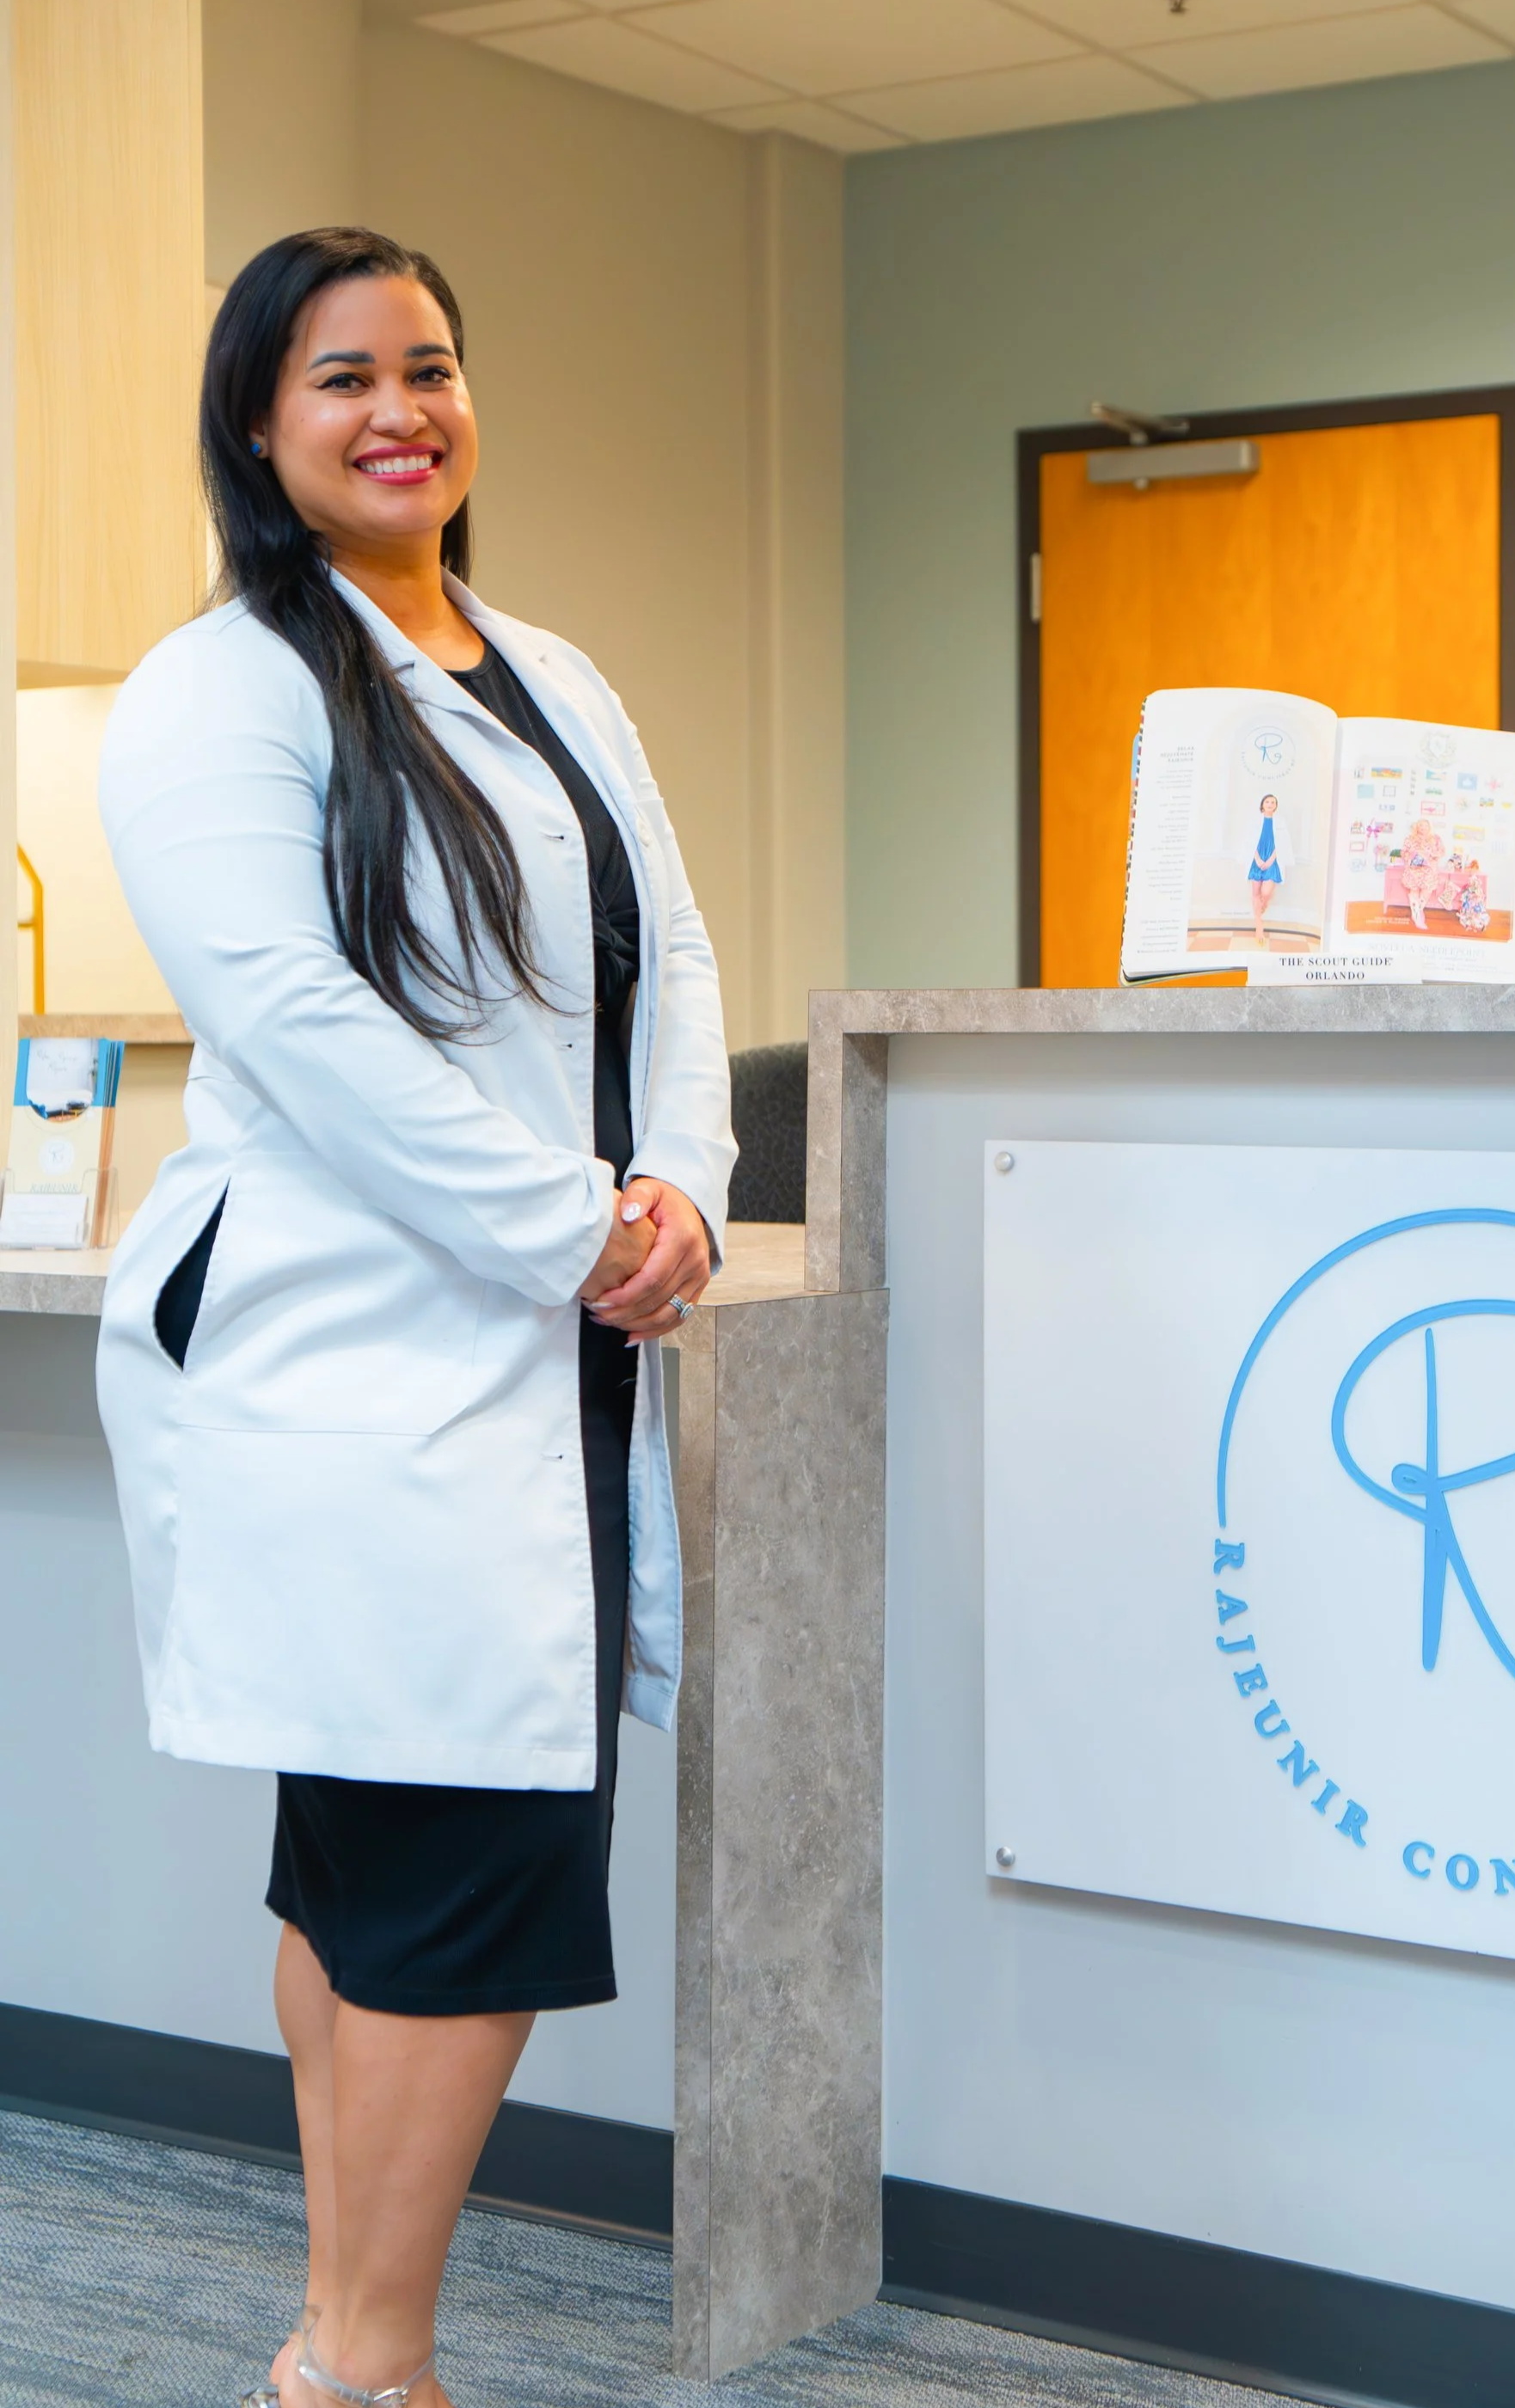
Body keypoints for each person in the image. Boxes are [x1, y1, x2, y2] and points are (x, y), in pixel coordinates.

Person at [93, 228, 734, 2408]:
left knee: (382, 1868)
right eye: (342, 376)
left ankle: (340, 2346)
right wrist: (568, 1223)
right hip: (355, 1350)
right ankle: (367, 2369)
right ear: (260, 429)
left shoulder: (552, 670)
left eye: (432, 366)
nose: (400, 409)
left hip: (543, 1350)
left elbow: (673, 965)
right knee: (445, 1874)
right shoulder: (222, 684)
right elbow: (286, 1010)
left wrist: (677, 1192)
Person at [1246, 792, 1291, 941]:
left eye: (1273, 802)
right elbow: (1250, 843)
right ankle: (1259, 926)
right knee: (1255, 893)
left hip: (1273, 860)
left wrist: (1271, 860)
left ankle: (1263, 905)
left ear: (1276, 806)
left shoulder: (1280, 821)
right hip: (1257, 859)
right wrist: (1258, 859)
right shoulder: (1255, 821)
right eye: (1267, 802)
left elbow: (1283, 843)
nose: (1270, 804)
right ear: (1262, 805)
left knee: (1265, 893)